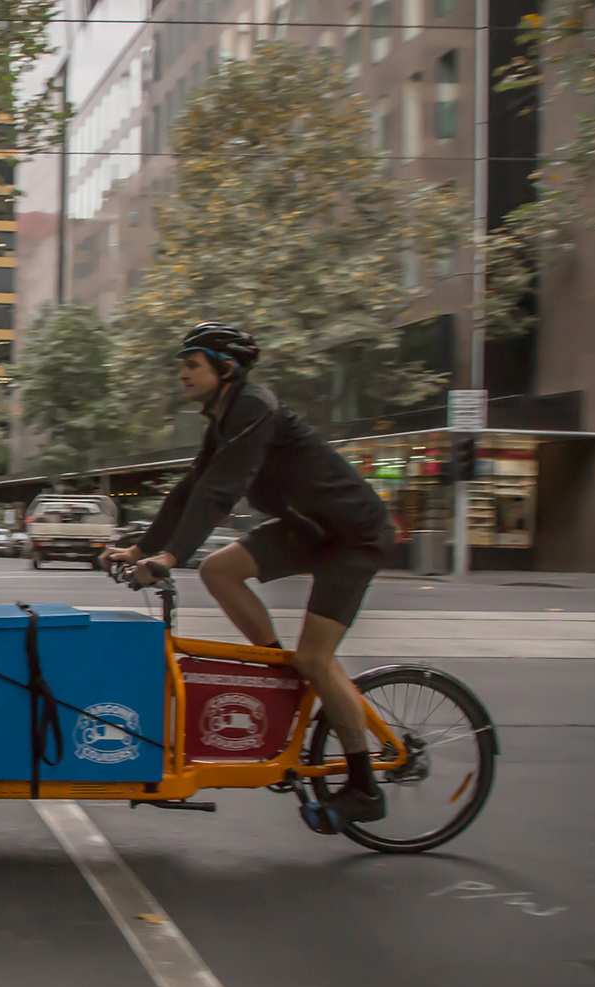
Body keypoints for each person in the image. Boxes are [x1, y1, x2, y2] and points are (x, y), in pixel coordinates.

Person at [103, 322, 395, 828]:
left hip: (352, 535)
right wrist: (141, 547)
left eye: (192, 364)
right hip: (308, 530)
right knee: (219, 570)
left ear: (226, 368)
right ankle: (281, 669)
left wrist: (170, 558)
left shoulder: (254, 407)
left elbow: (221, 490)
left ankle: (364, 787)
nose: (182, 373)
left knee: (317, 658)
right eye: (183, 364)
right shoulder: (224, 420)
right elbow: (191, 489)